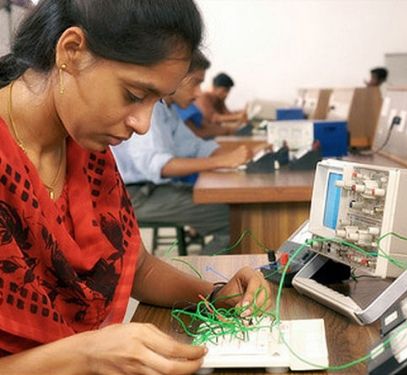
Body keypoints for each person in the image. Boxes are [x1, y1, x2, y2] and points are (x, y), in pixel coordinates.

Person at [0, 1, 271, 374]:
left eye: (156, 101)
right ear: (72, 51)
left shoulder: (85, 147)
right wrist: (85, 356)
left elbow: (138, 267)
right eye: (132, 94)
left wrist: (214, 295)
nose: (143, 124)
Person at [113, 50, 252, 255]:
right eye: (195, 83)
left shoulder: (169, 110)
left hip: (154, 190)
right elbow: (159, 165)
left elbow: (198, 146)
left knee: (232, 210)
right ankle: (201, 282)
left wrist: (243, 157)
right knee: (234, 220)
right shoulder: (151, 109)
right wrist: (223, 161)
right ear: (173, 76)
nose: (198, 93)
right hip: (136, 195)